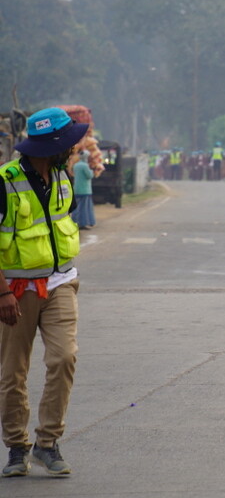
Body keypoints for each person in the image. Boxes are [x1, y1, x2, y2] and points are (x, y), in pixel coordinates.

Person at [1, 107, 88, 477]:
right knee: (13, 373)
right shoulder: (5, 181)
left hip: (61, 282)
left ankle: (47, 443)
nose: (72, 150)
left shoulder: (62, 177)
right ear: (48, 147)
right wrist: (2, 293)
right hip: (17, 291)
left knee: (64, 358)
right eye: (67, 145)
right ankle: (17, 448)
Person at [70, 150, 95, 230]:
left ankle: (74, 222)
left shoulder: (76, 165)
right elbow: (89, 175)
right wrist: (92, 171)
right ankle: (83, 223)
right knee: (84, 207)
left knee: (77, 207)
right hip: (85, 190)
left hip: (77, 189)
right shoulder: (85, 166)